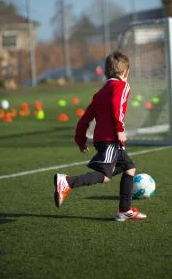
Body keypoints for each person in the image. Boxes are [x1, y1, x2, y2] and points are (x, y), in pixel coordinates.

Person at [54, 51, 147, 222]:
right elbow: (116, 105)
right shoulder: (122, 86)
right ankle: (67, 182)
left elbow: (85, 119)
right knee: (104, 176)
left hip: (102, 140)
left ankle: (124, 210)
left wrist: (80, 139)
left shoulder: (100, 92)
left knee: (129, 167)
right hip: (111, 139)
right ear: (126, 72)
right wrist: (119, 129)